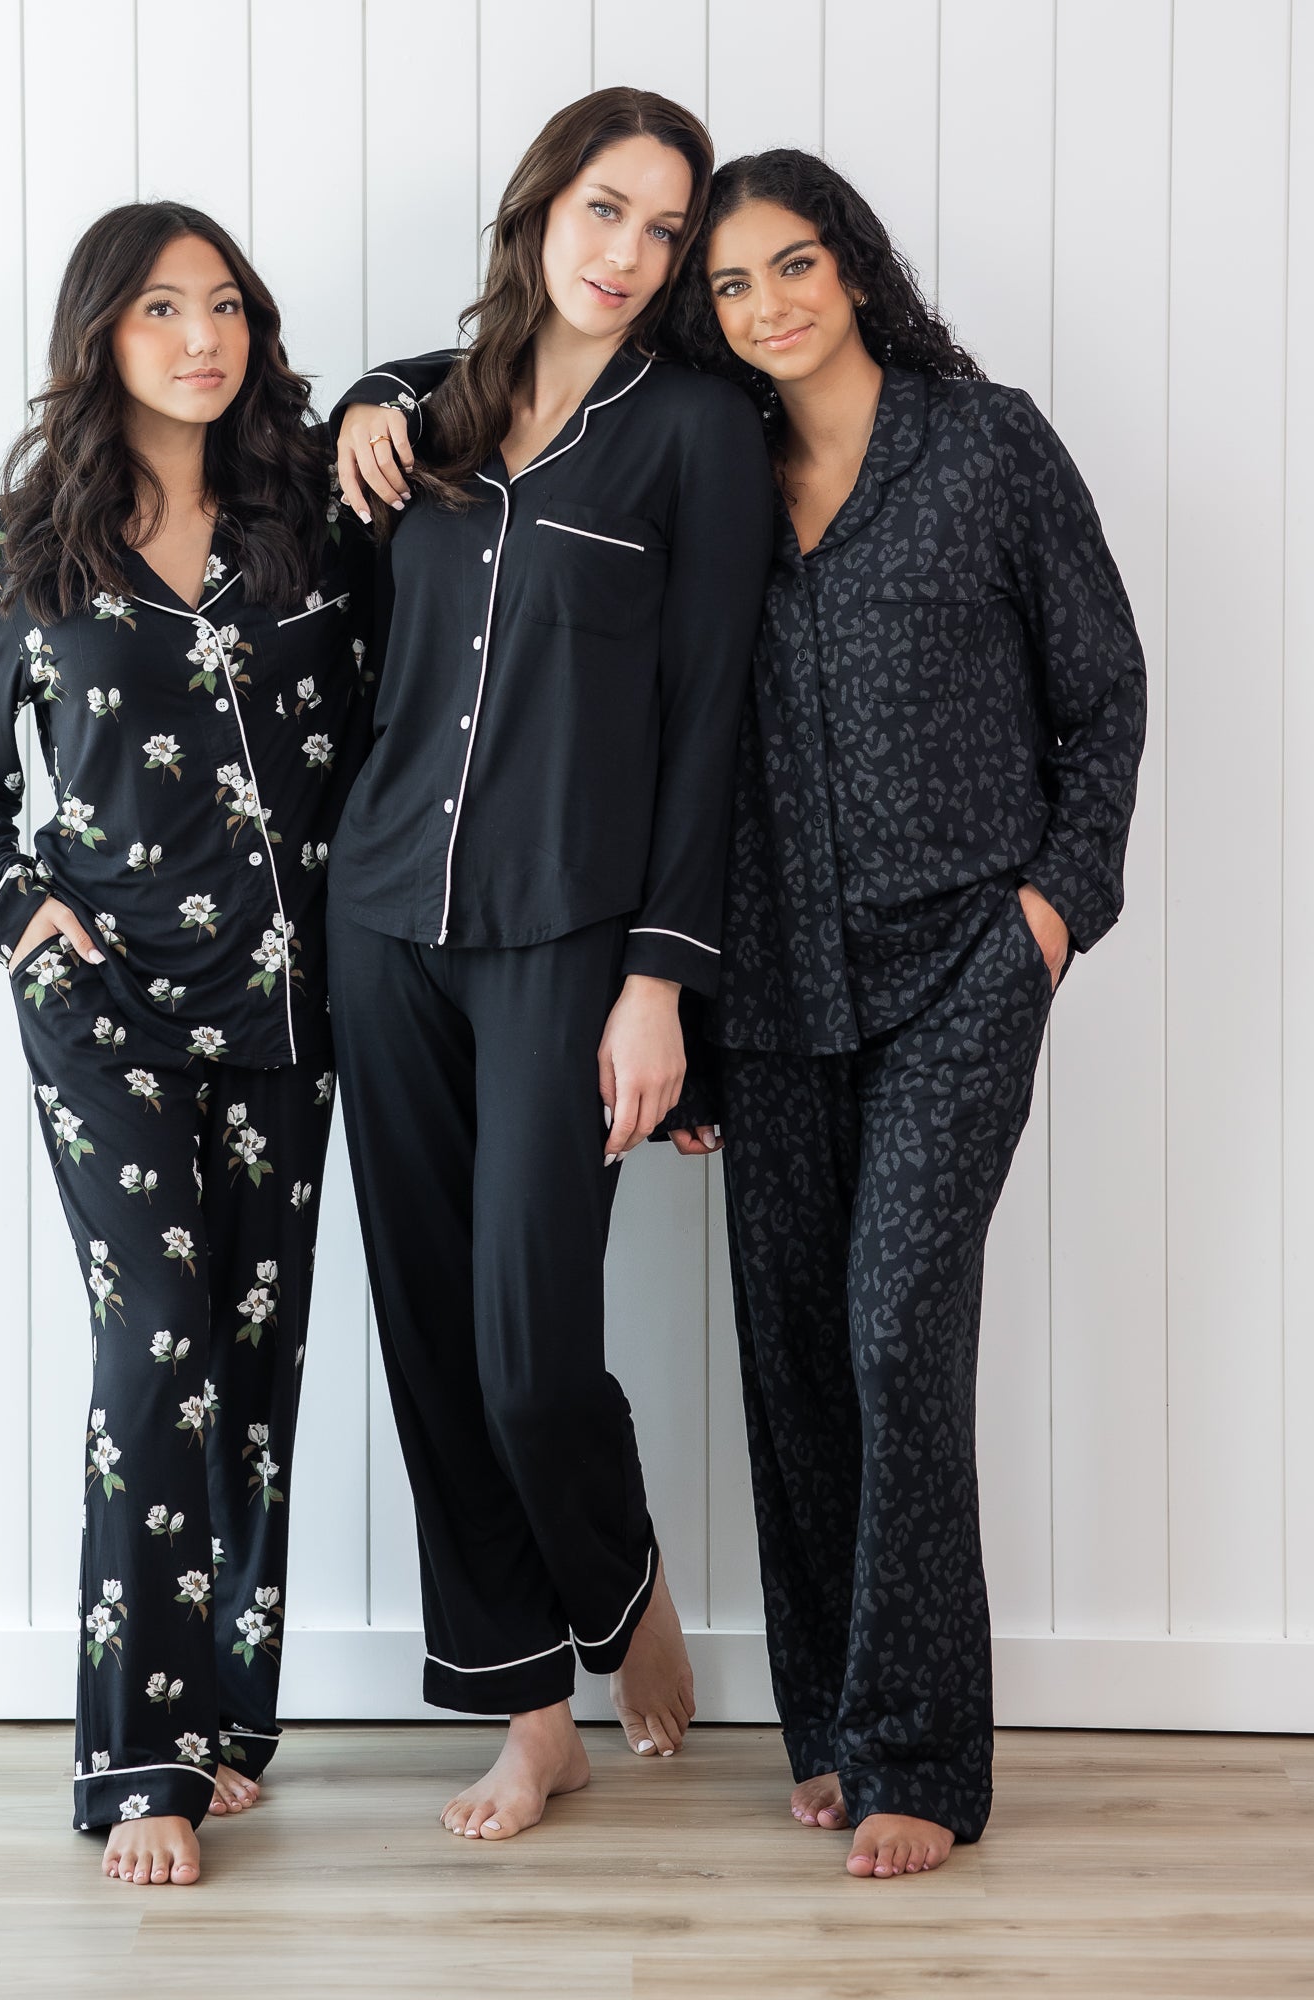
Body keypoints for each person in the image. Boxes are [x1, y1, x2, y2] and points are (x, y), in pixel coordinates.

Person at [339, 145, 1146, 1883]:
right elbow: (507, 398)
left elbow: (1105, 687)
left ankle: (923, 1753)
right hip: (773, 983)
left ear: (855, 268)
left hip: (959, 964)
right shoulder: (707, 451)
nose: (762, 303)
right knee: (790, 1360)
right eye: (731, 283)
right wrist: (690, 1006)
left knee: (890, 1335)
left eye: (791, 268)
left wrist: (1055, 911)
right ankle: (838, 1728)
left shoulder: (983, 444)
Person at [323, 87, 775, 1843]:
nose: (633, 256)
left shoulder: (698, 434)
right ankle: (534, 1714)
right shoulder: (421, 414)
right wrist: (361, 398)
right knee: (434, 1342)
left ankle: (620, 1582)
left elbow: (709, 714)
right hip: (387, 928)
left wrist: (662, 981)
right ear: (539, 209)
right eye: (609, 210)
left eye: (666, 231)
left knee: (527, 1341)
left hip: (567, 943)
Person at [0, 201, 371, 1888]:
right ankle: (136, 1763)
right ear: (101, 334)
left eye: (228, 306)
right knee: (157, 1348)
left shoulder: (313, 516)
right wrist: (22, 915)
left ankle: (223, 1725)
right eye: (163, 309)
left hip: (297, 1008)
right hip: (106, 1011)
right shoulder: (27, 537)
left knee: (256, 1373)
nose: (203, 337)